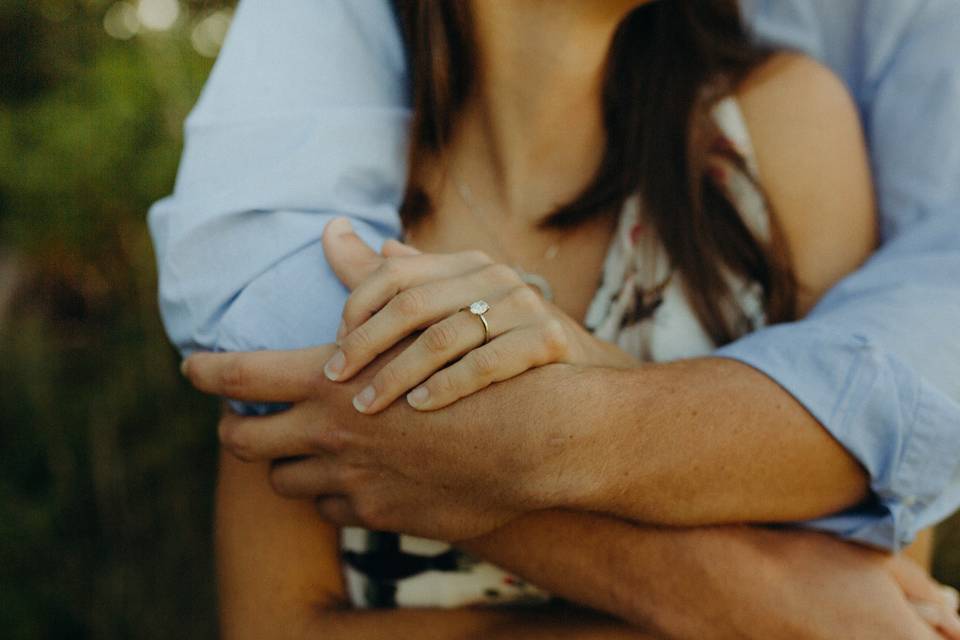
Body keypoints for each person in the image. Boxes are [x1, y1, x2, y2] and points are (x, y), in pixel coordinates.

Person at [151, 0, 960, 637]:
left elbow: (880, 587)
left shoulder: (779, 130)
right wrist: (720, 610)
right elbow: (275, 624)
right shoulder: (333, 216)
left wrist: (575, 401)